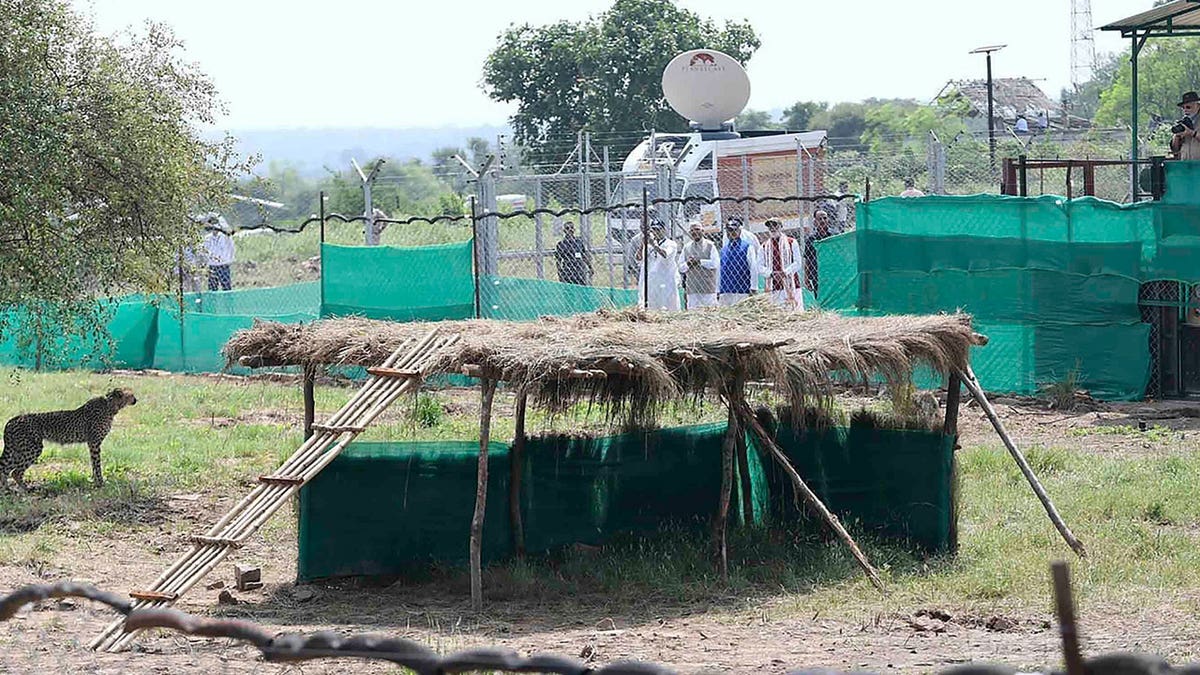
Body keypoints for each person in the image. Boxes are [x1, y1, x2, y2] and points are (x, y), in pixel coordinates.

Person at [760, 219, 804, 310]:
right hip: (773, 287)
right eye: (770, 226)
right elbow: (759, 266)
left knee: (795, 312)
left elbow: (798, 262)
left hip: (792, 285)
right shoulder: (764, 246)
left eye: (775, 225)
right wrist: (771, 273)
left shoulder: (791, 242)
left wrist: (785, 272)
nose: (772, 228)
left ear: (781, 227)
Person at [636, 221, 680, 311]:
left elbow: (665, 254)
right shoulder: (648, 245)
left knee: (668, 304)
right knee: (652, 304)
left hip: (666, 279)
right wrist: (642, 244)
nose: (656, 232)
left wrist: (654, 244)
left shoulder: (670, 244)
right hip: (652, 279)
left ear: (664, 230)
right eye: (653, 230)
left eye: (658, 229)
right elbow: (639, 258)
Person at [678, 221, 720, 308]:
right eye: (692, 230)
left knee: (709, 313)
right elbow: (681, 268)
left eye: (697, 229)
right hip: (692, 289)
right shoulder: (686, 248)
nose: (695, 232)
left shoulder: (710, 245)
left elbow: (715, 264)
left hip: (708, 288)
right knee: (693, 314)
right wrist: (688, 264)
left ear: (703, 231)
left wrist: (700, 261)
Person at [718, 218, 756, 306]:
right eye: (729, 230)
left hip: (742, 289)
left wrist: (753, 287)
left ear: (739, 231)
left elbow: (753, 268)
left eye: (735, 230)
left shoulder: (747, 247)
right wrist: (718, 290)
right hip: (725, 290)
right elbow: (719, 271)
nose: (732, 232)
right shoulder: (723, 249)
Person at [201, 214, 235, 291]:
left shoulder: (225, 237)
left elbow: (231, 248)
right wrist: (205, 262)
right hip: (212, 265)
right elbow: (204, 251)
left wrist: (230, 259)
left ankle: (228, 302)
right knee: (212, 288)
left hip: (223, 265)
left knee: (226, 287)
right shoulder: (207, 238)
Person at [554, 221, 592, 286]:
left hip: (579, 272)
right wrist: (560, 274)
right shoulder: (561, 244)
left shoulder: (579, 242)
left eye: (571, 228)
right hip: (568, 272)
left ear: (574, 229)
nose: (570, 230)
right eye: (567, 228)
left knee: (581, 291)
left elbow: (584, 255)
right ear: (564, 231)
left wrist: (590, 267)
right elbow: (558, 260)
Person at [1170, 91, 1200, 161]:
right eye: (1183, 108)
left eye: (1188, 107)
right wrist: (1177, 136)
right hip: (1186, 165)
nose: (1185, 110)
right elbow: (1175, 149)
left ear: (1198, 106)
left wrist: (1192, 133)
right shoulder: (1183, 122)